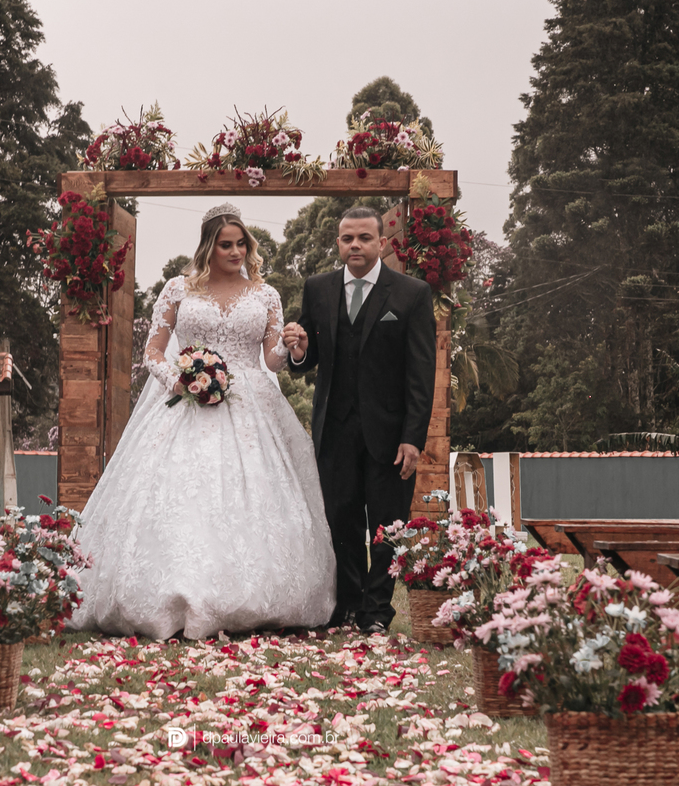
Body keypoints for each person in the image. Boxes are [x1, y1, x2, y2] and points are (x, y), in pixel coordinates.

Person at [69, 203, 336, 640]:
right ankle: (170, 592)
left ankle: (255, 596)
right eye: (226, 245)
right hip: (186, 401)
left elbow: (271, 360)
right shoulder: (178, 289)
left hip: (251, 400)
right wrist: (179, 380)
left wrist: (294, 346)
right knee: (179, 494)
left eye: (241, 244)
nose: (235, 252)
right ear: (209, 247)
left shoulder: (266, 295)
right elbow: (152, 351)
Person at [281, 206, 437, 634]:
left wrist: (413, 438)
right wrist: (297, 350)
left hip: (389, 434)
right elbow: (307, 356)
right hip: (335, 428)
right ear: (338, 243)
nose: (355, 245)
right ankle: (348, 605)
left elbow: (421, 374)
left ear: (381, 243)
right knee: (341, 520)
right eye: (347, 238)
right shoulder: (318, 288)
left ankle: (376, 611)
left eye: (364, 238)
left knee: (387, 525)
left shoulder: (411, 293)